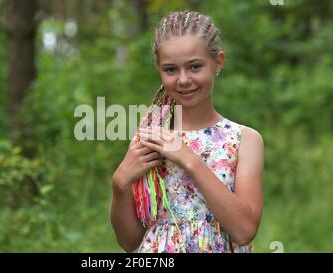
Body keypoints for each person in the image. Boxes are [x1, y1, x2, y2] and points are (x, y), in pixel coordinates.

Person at [110, 11, 264, 253]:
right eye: (171, 70)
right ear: (160, 71)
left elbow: (244, 230)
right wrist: (119, 185)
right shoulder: (151, 138)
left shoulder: (243, 140)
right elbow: (130, 242)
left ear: (218, 62)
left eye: (194, 66)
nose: (183, 80)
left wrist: (188, 159)